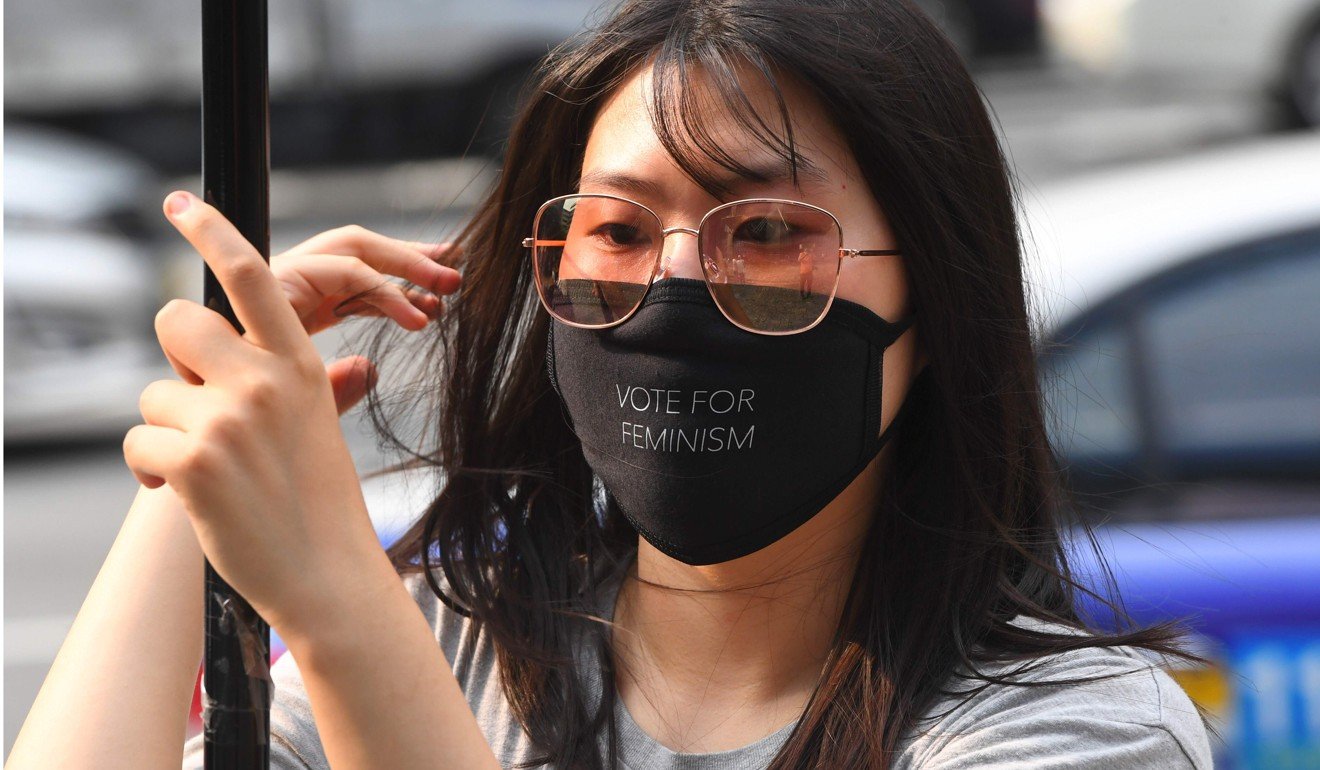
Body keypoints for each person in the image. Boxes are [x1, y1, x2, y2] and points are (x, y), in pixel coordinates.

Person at [7, 1, 1215, 768]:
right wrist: (200, 461)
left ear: (934, 299)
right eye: (617, 231)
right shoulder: (456, 647)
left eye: (766, 230)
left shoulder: (1075, 729)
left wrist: (330, 596)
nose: (677, 283)